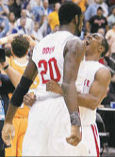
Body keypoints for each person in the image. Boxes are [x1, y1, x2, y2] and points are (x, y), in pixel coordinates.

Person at [2, 2, 85, 156]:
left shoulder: (42, 43)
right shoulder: (74, 42)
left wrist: (8, 120)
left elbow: (23, 85)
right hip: (62, 108)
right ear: (76, 18)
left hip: (38, 111)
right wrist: (75, 122)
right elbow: (68, 84)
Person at [46, 33, 111, 156]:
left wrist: (62, 91)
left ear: (100, 49)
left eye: (95, 37)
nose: (89, 36)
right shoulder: (71, 64)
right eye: (88, 35)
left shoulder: (101, 71)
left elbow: (93, 102)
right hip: (63, 126)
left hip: (85, 129)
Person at [0, 34, 38, 156]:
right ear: (28, 50)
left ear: (11, 50)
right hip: (30, 120)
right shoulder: (34, 68)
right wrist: (34, 43)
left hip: (11, 118)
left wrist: (5, 40)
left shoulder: (7, 64)